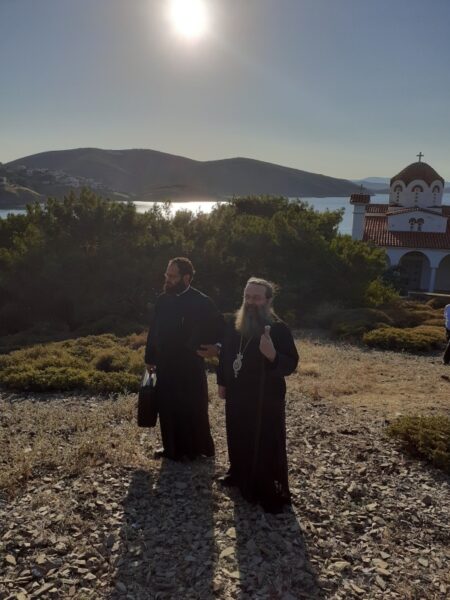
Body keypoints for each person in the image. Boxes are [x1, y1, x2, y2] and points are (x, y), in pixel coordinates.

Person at [217, 277, 299, 513]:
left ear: (268, 300)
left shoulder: (278, 328)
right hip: (237, 393)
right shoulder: (235, 324)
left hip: (266, 397)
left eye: (256, 297)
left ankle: (264, 487)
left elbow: (291, 363)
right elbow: (226, 355)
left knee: (265, 441)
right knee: (237, 434)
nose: (251, 302)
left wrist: (272, 355)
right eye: (247, 296)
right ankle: (238, 474)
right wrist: (222, 381)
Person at [145, 257, 223, 460]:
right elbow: (154, 330)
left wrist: (217, 347)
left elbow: (221, 329)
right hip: (165, 363)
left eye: (172, 276)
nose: (168, 279)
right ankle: (171, 449)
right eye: (167, 274)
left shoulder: (202, 302)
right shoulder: (163, 300)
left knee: (192, 406)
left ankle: (195, 450)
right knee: (167, 406)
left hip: (190, 365)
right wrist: (150, 357)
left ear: (186, 277)